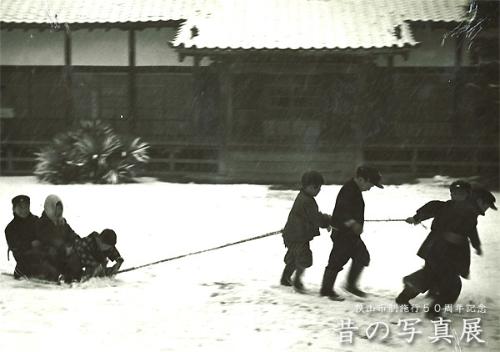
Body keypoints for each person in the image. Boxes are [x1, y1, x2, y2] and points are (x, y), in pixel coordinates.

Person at [396, 186, 496, 318]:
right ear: (480, 201)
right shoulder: (465, 210)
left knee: (430, 275)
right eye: (487, 206)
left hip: (437, 249)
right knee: (452, 285)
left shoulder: (465, 209)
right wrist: (448, 233)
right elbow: (438, 209)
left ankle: (404, 296)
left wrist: (418, 217)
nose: (487, 209)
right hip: (444, 251)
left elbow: (469, 229)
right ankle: (433, 312)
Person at [320, 165, 383, 301]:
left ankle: (350, 285)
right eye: (370, 184)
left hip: (351, 235)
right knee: (337, 261)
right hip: (343, 233)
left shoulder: (354, 189)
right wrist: (353, 223)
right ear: (361, 179)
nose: (370, 188)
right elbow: (343, 211)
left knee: (362, 257)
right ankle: (326, 290)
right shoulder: (348, 190)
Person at [281, 170, 331, 293]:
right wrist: (327, 221)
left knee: (294, 257)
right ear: (307, 186)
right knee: (304, 258)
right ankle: (297, 282)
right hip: (298, 236)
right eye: (316, 187)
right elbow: (315, 218)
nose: (318, 190)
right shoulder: (307, 201)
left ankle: (285, 278)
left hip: (293, 234)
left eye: (320, 187)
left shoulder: (303, 196)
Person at [36, 194, 81, 281]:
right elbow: (46, 238)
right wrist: (64, 246)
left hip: (63, 251)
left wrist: (77, 240)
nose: (59, 211)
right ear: (49, 208)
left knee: (76, 254)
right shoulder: (41, 222)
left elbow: (70, 233)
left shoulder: (62, 222)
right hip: (48, 253)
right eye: (56, 208)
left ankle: (76, 274)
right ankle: (61, 274)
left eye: (60, 209)